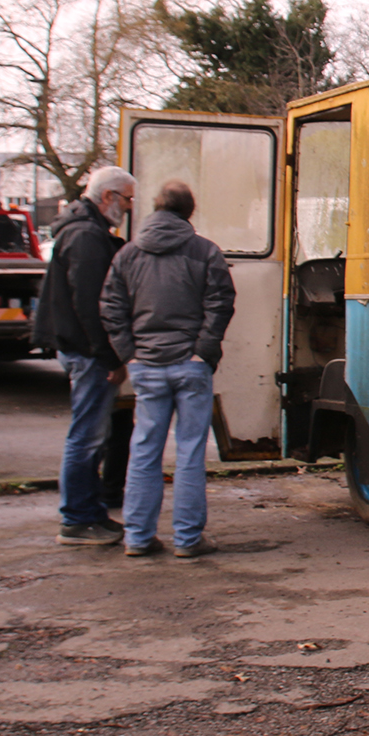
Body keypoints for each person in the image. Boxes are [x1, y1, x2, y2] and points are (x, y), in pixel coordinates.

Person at [100, 180, 235, 559]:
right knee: (190, 453)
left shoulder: (128, 255)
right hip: (190, 367)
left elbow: (110, 307)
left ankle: (138, 538)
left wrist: (131, 354)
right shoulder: (205, 252)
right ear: (189, 211)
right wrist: (203, 352)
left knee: (144, 453)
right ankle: (188, 539)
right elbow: (221, 303)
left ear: (156, 209)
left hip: (147, 366)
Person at [32, 165, 135, 545]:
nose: (127, 207)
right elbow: (94, 306)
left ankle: (89, 512)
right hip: (87, 351)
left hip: (78, 347)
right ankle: (77, 518)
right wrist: (110, 358)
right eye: (126, 199)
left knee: (92, 433)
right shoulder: (87, 237)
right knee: (88, 436)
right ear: (107, 196)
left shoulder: (79, 231)